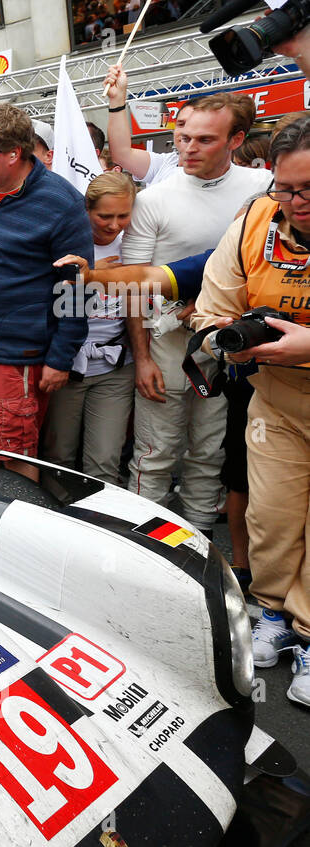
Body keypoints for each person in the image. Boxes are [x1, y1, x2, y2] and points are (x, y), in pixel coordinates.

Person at [189, 114, 310, 705]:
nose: (296, 202)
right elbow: (210, 310)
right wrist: (227, 337)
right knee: (272, 514)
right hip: (275, 397)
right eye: (286, 189)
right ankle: (273, 613)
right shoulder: (254, 223)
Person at [120, 92, 267, 534]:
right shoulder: (154, 199)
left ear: (235, 139)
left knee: (210, 450)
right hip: (164, 343)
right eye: (181, 137)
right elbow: (132, 284)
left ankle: (200, 541)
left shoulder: (262, 190)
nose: (187, 148)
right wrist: (142, 358)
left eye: (204, 139)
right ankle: (145, 543)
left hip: (231, 343)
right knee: (156, 450)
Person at [0, 104, 94, 477]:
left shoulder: (61, 203)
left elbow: (75, 288)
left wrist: (60, 358)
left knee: (12, 462)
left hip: (16, 359)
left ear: (14, 155)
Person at [41, 171, 139, 484]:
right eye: (104, 215)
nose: (114, 225)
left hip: (115, 367)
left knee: (105, 462)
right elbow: (53, 301)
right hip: (68, 365)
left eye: (123, 215)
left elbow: (145, 302)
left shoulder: (134, 245)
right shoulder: (67, 242)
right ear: (86, 211)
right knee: (58, 458)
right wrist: (94, 273)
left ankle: (103, 525)